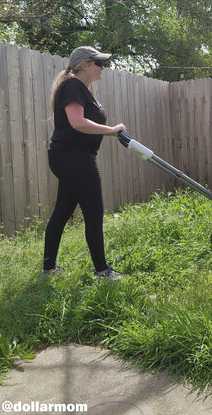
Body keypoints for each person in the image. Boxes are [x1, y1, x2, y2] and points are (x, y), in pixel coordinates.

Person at [41, 46, 126, 280]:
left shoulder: (81, 89)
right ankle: (102, 270)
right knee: (93, 211)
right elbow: (77, 122)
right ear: (83, 65)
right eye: (98, 63)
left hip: (71, 157)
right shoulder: (73, 86)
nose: (103, 67)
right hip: (73, 157)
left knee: (62, 212)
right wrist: (111, 130)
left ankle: (48, 269)